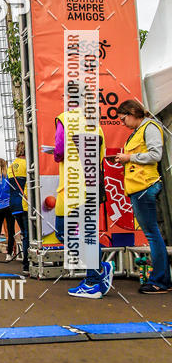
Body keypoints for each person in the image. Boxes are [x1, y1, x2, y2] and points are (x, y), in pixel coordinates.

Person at [52, 107, 112, 298]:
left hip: (72, 189)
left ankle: (95, 278)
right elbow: (101, 156)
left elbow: (59, 151)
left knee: (63, 233)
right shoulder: (98, 127)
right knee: (88, 235)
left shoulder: (65, 119)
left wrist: (56, 155)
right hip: (92, 187)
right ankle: (96, 275)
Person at [116, 99, 171, 293]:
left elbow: (155, 155)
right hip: (141, 186)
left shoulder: (150, 127)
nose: (123, 123)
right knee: (153, 234)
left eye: (123, 119)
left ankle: (160, 280)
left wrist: (129, 158)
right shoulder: (142, 130)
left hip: (145, 186)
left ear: (131, 113)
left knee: (152, 234)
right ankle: (162, 278)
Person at [8, 141, 29, 275]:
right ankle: (27, 264)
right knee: (28, 235)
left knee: (23, 233)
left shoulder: (10, 167)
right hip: (25, 203)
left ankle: (26, 264)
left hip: (13, 204)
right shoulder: (27, 164)